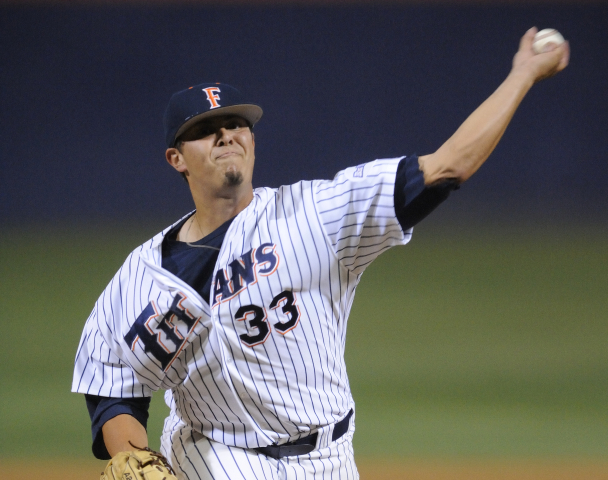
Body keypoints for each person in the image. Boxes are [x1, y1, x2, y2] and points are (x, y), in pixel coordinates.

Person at [72, 28, 569, 479]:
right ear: (176, 158)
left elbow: (447, 167)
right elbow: (114, 387)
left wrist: (522, 74)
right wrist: (132, 455)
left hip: (329, 460)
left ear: (252, 140)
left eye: (236, 123)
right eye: (205, 129)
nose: (226, 134)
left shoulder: (315, 215)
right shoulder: (142, 278)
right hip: (214, 459)